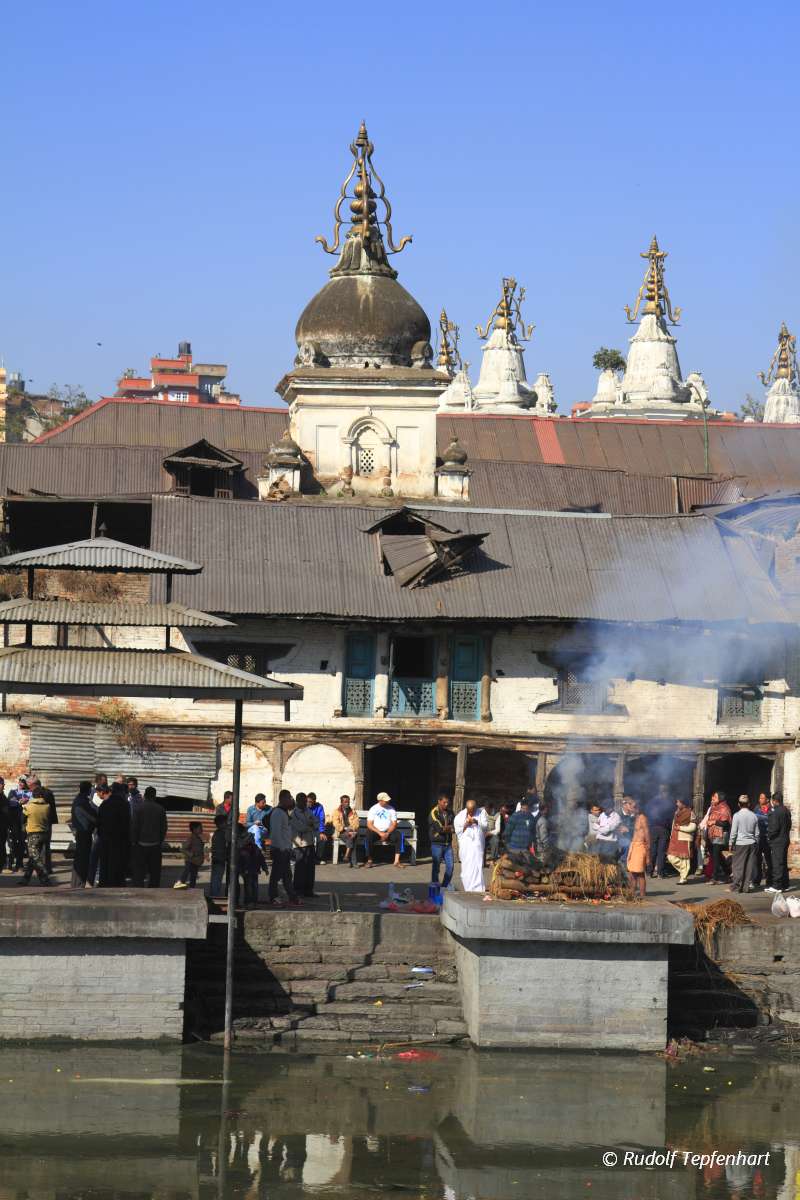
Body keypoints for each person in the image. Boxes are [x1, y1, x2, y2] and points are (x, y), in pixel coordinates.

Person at [130, 786, 167, 888]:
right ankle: (153, 890)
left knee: (139, 871)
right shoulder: (160, 809)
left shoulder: (138, 809)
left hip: (140, 845)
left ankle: (139, 889)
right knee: (154, 872)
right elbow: (164, 827)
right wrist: (160, 840)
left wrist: (134, 841)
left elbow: (134, 826)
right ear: (154, 796)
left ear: (145, 795)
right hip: (155, 844)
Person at [268, 790, 300, 906]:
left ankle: (292, 897)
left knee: (287, 875)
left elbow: (286, 833)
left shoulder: (285, 812)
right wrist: (282, 848)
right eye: (289, 798)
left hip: (285, 849)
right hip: (279, 849)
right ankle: (273, 897)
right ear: (282, 799)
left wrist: (289, 848)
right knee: (276, 875)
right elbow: (275, 833)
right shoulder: (277, 813)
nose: (291, 800)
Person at [96, 782, 131, 887]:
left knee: (105, 863)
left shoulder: (104, 804)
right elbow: (127, 823)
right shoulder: (125, 804)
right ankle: (117, 883)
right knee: (118, 863)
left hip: (106, 839)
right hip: (120, 840)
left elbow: (99, 823)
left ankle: (104, 883)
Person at [17, 786, 53, 886]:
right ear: (41, 795)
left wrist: (24, 826)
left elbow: (22, 819)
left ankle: (45, 879)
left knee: (35, 858)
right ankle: (25, 879)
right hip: (44, 834)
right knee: (33, 858)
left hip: (33, 835)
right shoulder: (47, 806)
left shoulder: (28, 806)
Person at [454, 798, 488, 892]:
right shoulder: (460, 816)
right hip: (466, 847)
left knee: (477, 868)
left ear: (475, 808)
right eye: (469, 811)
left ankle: (478, 889)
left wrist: (476, 821)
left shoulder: (482, 813)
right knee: (466, 869)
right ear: (466, 809)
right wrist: (466, 824)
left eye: (472, 811)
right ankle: (468, 888)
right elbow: (458, 831)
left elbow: (485, 826)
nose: (471, 813)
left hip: (477, 847)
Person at [729, 795, 759, 893]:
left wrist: (731, 843)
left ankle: (737, 886)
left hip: (740, 843)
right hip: (752, 843)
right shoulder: (754, 815)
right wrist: (756, 842)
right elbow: (757, 833)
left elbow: (733, 832)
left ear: (738, 804)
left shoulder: (737, 815)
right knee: (749, 866)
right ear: (749, 804)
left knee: (738, 865)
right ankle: (746, 887)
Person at [70, 781, 96, 888]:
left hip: (81, 832)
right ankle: (79, 884)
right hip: (84, 833)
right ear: (88, 789)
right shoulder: (82, 802)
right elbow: (93, 817)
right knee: (83, 860)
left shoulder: (79, 800)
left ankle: (76, 883)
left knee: (80, 859)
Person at [365, 792, 402, 867]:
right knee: (368, 835)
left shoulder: (391, 809)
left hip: (388, 831)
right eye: (385, 800)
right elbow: (369, 824)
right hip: (376, 831)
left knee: (398, 835)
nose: (388, 801)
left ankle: (396, 861)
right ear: (380, 800)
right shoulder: (373, 809)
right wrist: (379, 833)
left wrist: (387, 833)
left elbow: (394, 823)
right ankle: (369, 860)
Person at [290, 792, 317, 897]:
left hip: (309, 842)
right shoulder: (294, 813)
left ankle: (308, 890)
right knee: (300, 868)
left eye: (306, 801)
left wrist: (310, 825)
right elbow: (301, 828)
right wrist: (309, 825)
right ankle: (298, 890)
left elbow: (316, 822)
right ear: (298, 801)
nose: (305, 803)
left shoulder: (308, 811)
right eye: (303, 801)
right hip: (299, 844)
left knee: (310, 868)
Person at [666, 798, 697, 885]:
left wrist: (680, 828)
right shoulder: (677, 813)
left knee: (684, 859)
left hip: (685, 838)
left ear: (683, 803)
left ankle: (683, 878)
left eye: (678, 802)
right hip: (675, 838)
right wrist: (672, 834)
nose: (677, 804)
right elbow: (673, 825)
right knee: (670, 857)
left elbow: (693, 827)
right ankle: (684, 870)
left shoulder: (690, 813)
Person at [765, 793, 792, 893]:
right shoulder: (786, 810)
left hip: (777, 840)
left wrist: (769, 836)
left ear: (774, 801)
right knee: (783, 862)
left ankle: (777, 885)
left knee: (777, 863)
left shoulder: (775, 812)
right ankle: (785, 884)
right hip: (785, 838)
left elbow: (774, 828)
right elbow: (789, 825)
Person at [646, 783, 674, 878]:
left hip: (653, 828)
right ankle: (660, 873)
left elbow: (648, 813)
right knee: (661, 851)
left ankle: (650, 872)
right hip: (663, 829)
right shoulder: (669, 802)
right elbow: (671, 816)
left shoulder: (652, 801)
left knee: (653, 851)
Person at [429, 792, 455, 889]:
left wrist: (448, 828)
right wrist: (450, 828)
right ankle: (435, 886)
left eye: (447, 803)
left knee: (450, 866)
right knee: (436, 867)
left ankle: (444, 886)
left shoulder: (451, 812)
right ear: (439, 801)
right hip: (437, 844)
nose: (446, 804)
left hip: (448, 844)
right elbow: (439, 829)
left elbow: (455, 827)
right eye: (444, 802)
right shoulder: (434, 813)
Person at [706, 791, 733, 884]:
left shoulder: (724, 808)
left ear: (720, 798)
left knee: (716, 857)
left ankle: (715, 878)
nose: (713, 798)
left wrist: (714, 822)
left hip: (720, 836)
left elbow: (726, 823)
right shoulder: (714, 807)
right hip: (713, 835)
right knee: (718, 857)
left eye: (715, 797)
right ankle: (729, 873)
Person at [626, 798, 650, 899]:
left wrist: (648, 854)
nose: (631, 808)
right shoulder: (635, 818)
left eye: (633, 807)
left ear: (638, 808)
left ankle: (642, 896)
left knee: (639, 873)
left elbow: (647, 834)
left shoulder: (642, 818)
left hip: (641, 846)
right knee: (632, 872)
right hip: (634, 846)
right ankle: (632, 894)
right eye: (631, 806)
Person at [7, 776, 31, 871]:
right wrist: (20, 802)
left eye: (23, 782)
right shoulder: (12, 792)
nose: (21, 784)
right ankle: (10, 864)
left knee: (21, 843)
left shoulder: (29, 793)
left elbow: (30, 802)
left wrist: (19, 801)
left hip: (24, 822)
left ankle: (19, 864)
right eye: (20, 782)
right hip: (13, 822)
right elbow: (11, 802)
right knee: (13, 843)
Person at [239, 830, 266, 909]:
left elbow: (261, 859)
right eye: (251, 838)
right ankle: (248, 902)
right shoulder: (242, 849)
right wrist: (241, 871)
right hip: (246, 872)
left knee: (255, 887)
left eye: (253, 838)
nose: (253, 840)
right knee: (248, 887)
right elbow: (240, 862)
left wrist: (265, 868)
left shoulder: (256, 848)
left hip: (255, 871)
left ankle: (254, 902)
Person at [174, 821, 205, 889]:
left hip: (196, 862)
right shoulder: (191, 838)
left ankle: (192, 889)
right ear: (194, 829)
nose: (202, 829)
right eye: (200, 828)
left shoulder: (198, 838)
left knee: (193, 877)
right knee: (186, 872)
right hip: (190, 861)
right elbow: (183, 849)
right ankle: (179, 883)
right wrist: (190, 854)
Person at [331, 794, 360, 866]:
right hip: (341, 832)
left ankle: (347, 856)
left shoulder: (353, 811)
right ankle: (353, 861)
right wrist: (344, 829)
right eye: (345, 802)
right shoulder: (336, 811)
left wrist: (352, 829)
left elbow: (356, 823)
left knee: (352, 837)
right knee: (352, 837)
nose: (347, 803)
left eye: (348, 802)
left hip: (351, 831)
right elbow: (336, 823)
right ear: (341, 803)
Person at [752, 792, 772, 890]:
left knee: (769, 860)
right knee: (757, 860)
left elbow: (771, 820)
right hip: (759, 837)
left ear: (767, 799)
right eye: (759, 798)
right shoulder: (757, 808)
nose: (760, 800)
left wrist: (760, 817)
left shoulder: (772, 809)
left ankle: (770, 881)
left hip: (768, 838)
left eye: (762, 798)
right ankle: (757, 880)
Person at [209, 812, 228, 897]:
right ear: (221, 824)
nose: (226, 824)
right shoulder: (221, 834)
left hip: (217, 858)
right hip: (219, 859)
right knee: (217, 878)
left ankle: (214, 894)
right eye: (225, 822)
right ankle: (214, 896)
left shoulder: (217, 833)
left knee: (215, 878)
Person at [307, 792, 328, 863]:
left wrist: (321, 832)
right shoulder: (303, 807)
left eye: (310, 802)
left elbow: (321, 820)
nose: (308, 803)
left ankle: (318, 858)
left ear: (314, 801)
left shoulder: (319, 807)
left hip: (316, 828)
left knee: (323, 839)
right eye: (307, 801)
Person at [0, 777, 8, 874]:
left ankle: (2, 864)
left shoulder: (3, 797)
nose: (3, 786)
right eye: (2, 784)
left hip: (3, 827)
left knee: (1, 846)